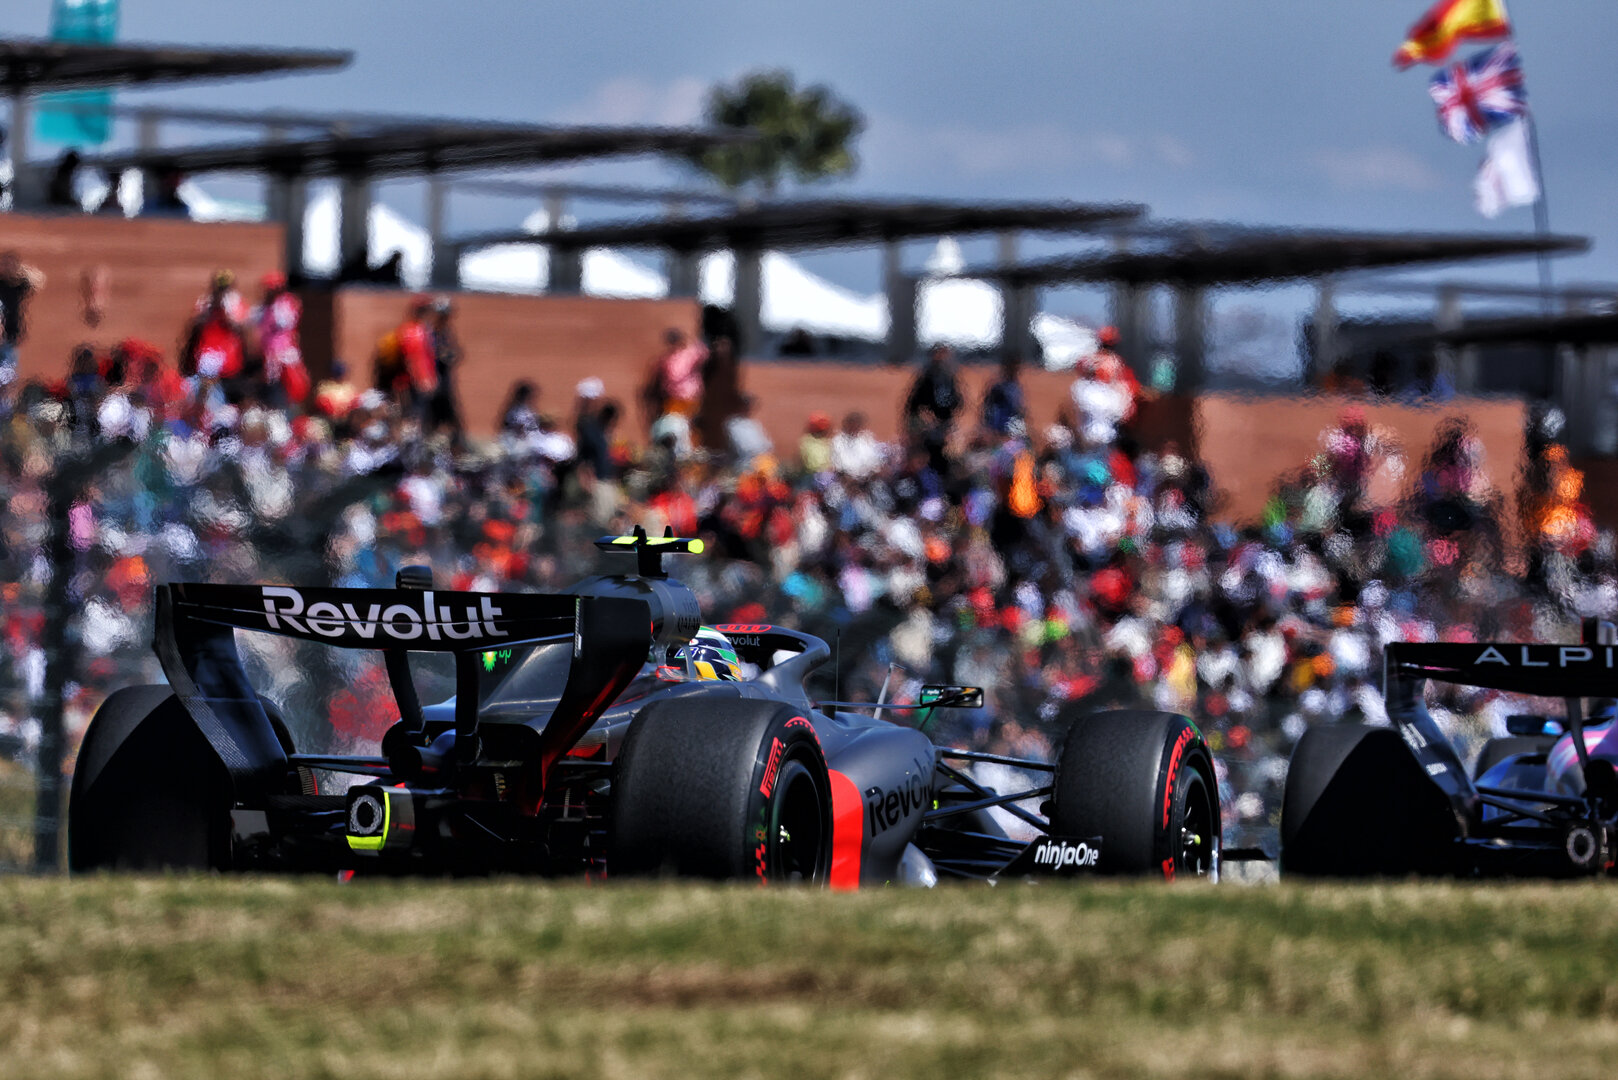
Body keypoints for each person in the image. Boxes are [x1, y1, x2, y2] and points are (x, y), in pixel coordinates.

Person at [904, 344, 962, 473]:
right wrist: (929, 422)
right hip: (928, 425)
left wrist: (948, 425)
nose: (942, 358)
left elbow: (956, 402)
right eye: (939, 354)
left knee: (950, 454)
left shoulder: (949, 377)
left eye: (945, 355)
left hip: (944, 423)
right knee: (927, 455)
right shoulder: (926, 376)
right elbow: (915, 404)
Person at [252, 272, 306, 407]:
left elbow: (284, 322)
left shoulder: (286, 303)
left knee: (288, 387)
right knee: (268, 385)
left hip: (284, 352)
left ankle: (287, 412)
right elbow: (253, 319)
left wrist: (275, 305)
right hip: (268, 353)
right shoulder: (265, 306)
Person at [0, 251, 45, 386]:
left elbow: (39, 281)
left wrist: (22, 271)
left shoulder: (18, 285)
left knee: (8, 380)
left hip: (11, 336)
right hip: (2, 336)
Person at [427, 296, 463, 442]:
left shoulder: (447, 333)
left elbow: (456, 354)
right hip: (431, 385)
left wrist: (446, 354)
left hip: (445, 384)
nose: (446, 318)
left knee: (453, 421)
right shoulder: (428, 333)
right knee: (430, 419)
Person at [656, 328, 708, 419]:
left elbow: (705, 355)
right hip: (675, 400)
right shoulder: (668, 360)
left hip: (693, 399)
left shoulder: (692, 353)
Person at [981, 353, 1026, 436]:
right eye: (1013, 367)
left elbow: (1019, 409)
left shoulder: (1016, 387)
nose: (1016, 370)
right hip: (998, 429)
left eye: (1017, 368)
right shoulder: (998, 386)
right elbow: (988, 408)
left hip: (1010, 429)